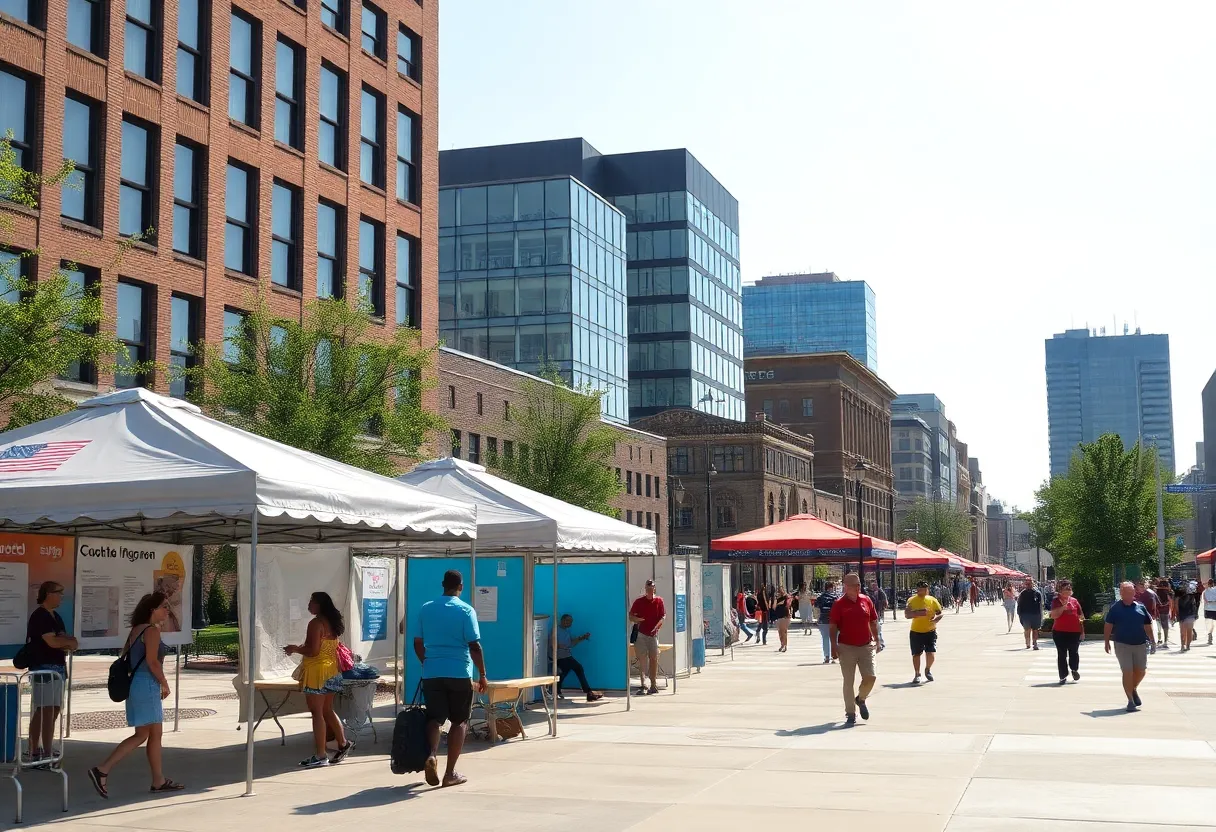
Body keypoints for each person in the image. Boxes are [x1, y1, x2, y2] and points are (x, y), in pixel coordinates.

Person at [88, 593, 184, 798]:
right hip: (146, 684)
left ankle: (158, 780)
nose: (167, 611)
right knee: (143, 734)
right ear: (152, 610)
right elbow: (152, 662)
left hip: (136, 685)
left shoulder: (136, 630)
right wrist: (164, 683)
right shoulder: (151, 631)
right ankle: (103, 769)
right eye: (163, 607)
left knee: (154, 733)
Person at [414, 570, 487, 788]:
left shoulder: (426, 608)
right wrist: (482, 674)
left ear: (442, 585)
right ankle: (450, 773)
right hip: (458, 672)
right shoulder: (466, 611)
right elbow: (474, 645)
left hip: (432, 672)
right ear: (461, 587)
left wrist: (426, 662)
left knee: (435, 719)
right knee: (459, 721)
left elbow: (418, 642)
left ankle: (432, 754)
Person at [283, 592, 352, 768]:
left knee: (317, 713)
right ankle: (343, 743)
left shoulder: (316, 624)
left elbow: (313, 651)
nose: (309, 605)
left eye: (311, 602)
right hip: (332, 670)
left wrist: (295, 649)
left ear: (319, 605)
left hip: (317, 672)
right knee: (327, 710)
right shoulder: (332, 623)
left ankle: (321, 754)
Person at [24, 581, 77, 765]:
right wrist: (64, 641)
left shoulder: (57, 617)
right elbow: (53, 642)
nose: (61, 596)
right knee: (44, 710)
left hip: (58, 669)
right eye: (58, 592)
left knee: (53, 710)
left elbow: (72, 642)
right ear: (47, 594)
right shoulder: (40, 616)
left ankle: (40, 749)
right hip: (43, 669)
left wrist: (64, 641)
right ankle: (42, 751)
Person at [829, 574, 882, 726]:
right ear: (846, 587)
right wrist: (833, 645)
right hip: (846, 647)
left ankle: (861, 699)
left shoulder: (866, 600)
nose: (858, 587)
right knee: (848, 681)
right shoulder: (839, 604)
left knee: (871, 677)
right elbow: (833, 626)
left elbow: (873, 621)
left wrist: (877, 640)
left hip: (866, 645)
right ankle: (850, 713)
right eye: (854, 585)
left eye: (859, 584)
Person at [1104, 581, 1155, 712]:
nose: (1129, 594)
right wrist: (1106, 641)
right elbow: (1108, 624)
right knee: (1128, 671)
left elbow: (1147, 625)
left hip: (1140, 643)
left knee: (1141, 671)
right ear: (1121, 593)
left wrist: (1153, 640)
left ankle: (1133, 688)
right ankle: (1130, 701)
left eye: (1131, 591)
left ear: (1134, 592)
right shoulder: (1115, 608)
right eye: (1126, 592)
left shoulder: (1140, 607)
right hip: (1122, 644)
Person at [629, 579, 666, 695]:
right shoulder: (639, 601)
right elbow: (631, 616)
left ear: (654, 588)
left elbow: (663, 615)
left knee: (654, 658)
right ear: (645, 588)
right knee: (642, 660)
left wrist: (659, 624)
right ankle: (643, 684)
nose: (650, 589)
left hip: (653, 634)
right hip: (641, 634)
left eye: (652, 587)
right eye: (648, 587)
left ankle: (653, 684)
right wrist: (639, 620)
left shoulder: (659, 601)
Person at [554, 614, 603, 702]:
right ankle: (588, 691)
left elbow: (572, 643)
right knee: (578, 668)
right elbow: (552, 643)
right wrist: (559, 646)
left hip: (567, 655)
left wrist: (582, 638)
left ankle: (556, 689)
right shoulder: (555, 630)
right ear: (562, 620)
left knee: (565, 672)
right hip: (560, 656)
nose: (569, 623)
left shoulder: (566, 631)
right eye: (567, 621)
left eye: (570, 622)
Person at [904, 580, 943, 683]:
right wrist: (917, 613)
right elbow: (907, 614)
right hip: (916, 631)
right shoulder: (911, 600)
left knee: (931, 652)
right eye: (921, 589)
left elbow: (940, 613)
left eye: (925, 589)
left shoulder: (932, 600)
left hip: (930, 630)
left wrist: (936, 620)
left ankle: (927, 669)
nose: (924, 591)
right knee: (916, 654)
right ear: (917, 590)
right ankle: (917, 674)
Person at [1049, 579, 1084, 684]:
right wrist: (1063, 607)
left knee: (1074, 652)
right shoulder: (1056, 601)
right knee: (1062, 654)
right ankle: (1063, 675)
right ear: (1060, 590)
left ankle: (1074, 669)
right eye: (1066, 587)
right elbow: (1053, 615)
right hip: (1059, 632)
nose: (1069, 589)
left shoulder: (1074, 601)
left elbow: (1081, 616)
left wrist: (1082, 631)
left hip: (1074, 632)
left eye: (1070, 587)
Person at [814, 581, 840, 664]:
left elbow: (816, 609)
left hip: (823, 620)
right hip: (834, 621)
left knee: (825, 638)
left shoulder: (820, 597)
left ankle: (826, 656)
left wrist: (817, 619)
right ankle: (834, 656)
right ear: (832, 587)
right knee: (835, 639)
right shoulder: (836, 597)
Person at [1017, 578, 1043, 650]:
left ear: (1032, 584)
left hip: (1036, 614)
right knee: (1027, 629)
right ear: (1025, 584)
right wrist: (1019, 614)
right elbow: (1019, 604)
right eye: (1027, 584)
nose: (1028, 585)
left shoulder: (1037, 593)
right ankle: (1027, 643)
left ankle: (1035, 643)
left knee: (1035, 630)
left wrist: (1041, 615)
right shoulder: (1022, 593)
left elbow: (1041, 604)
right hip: (1025, 615)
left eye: (1029, 583)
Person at [1175, 580, 1201, 652]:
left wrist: (1177, 615)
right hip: (1190, 615)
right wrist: (1195, 614)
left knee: (1182, 632)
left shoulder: (1177, 597)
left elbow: (1176, 607)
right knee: (1189, 631)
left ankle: (1183, 646)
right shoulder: (1192, 596)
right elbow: (1194, 606)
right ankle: (1188, 646)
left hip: (1182, 616)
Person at [866, 580, 888, 649]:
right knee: (874, 629)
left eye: (875, 584)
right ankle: (877, 642)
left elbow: (885, 603)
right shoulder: (867, 593)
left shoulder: (880, 592)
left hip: (878, 613)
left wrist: (883, 605)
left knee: (878, 629)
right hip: (870, 614)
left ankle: (880, 643)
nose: (874, 586)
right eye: (872, 584)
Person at [1154, 579, 1173, 647]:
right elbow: (1171, 603)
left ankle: (1160, 639)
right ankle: (1165, 641)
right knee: (1165, 626)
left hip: (1158, 611)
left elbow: (1154, 603)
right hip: (1165, 610)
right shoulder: (1169, 593)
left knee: (1159, 625)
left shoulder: (1156, 593)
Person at [772, 586, 791, 652]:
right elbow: (773, 607)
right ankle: (783, 645)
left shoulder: (786, 597)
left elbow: (789, 605)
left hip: (785, 616)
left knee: (784, 632)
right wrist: (776, 601)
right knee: (781, 632)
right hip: (779, 616)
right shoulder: (777, 598)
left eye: (781, 590)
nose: (780, 592)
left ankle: (784, 645)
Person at [1204, 579, 1216, 646]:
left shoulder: (1206, 591)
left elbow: (1205, 600)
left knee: (1209, 623)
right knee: (1213, 623)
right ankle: (1210, 634)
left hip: (1208, 609)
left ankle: (1210, 635)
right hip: (1215, 609)